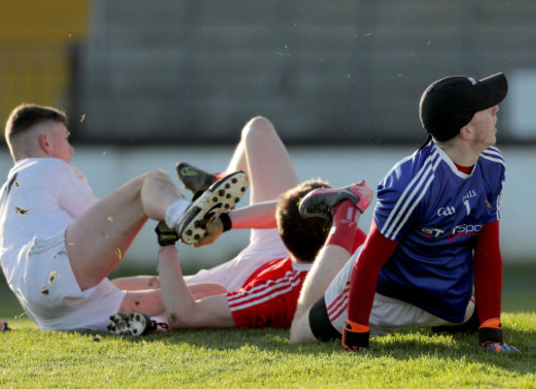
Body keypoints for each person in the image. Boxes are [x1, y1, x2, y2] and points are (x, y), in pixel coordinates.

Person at [289, 72, 520, 353]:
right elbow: (369, 262)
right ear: (466, 131)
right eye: (487, 107)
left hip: (446, 297)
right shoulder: (410, 185)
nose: (496, 109)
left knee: (473, 319)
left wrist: (491, 333)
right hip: (384, 298)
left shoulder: (492, 163)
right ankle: (344, 213)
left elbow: (487, 252)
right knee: (300, 333)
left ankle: (445, 316)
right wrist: (357, 334)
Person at [0, 103, 247, 332]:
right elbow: (108, 224)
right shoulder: (49, 168)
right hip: (58, 268)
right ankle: (185, 214)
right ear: (45, 142)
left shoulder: (2, 203)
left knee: (208, 290)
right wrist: (157, 206)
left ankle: (156, 324)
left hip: (53, 315)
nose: (71, 148)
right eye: (65, 137)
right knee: (151, 181)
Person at [108, 116, 369, 333]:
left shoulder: (276, 291)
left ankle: (147, 322)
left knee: (169, 291)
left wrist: (167, 244)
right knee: (258, 130)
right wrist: (223, 221)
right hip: (295, 247)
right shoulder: (351, 238)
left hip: (246, 277)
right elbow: (292, 209)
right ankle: (214, 186)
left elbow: (185, 314)